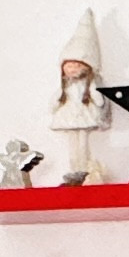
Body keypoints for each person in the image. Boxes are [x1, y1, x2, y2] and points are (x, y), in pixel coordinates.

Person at [45, 12, 115, 184]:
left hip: (83, 115)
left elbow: (98, 99)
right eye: (69, 66)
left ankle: (83, 171)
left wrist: (98, 99)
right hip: (70, 114)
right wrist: (54, 104)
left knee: (83, 143)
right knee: (73, 145)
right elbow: (54, 101)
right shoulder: (65, 86)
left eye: (77, 65)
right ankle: (74, 170)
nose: (73, 69)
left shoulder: (90, 85)